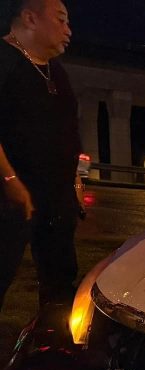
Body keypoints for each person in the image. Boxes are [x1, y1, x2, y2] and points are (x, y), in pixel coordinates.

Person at [0, 0, 80, 314]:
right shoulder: (4, 60)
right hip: (10, 198)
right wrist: (9, 180)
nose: (68, 30)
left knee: (60, 282)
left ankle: (53, 351)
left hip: (56, 199)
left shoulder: (56, 71)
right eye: (61, 20)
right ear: (30, 18)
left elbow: (67, 129)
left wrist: (73, 179)